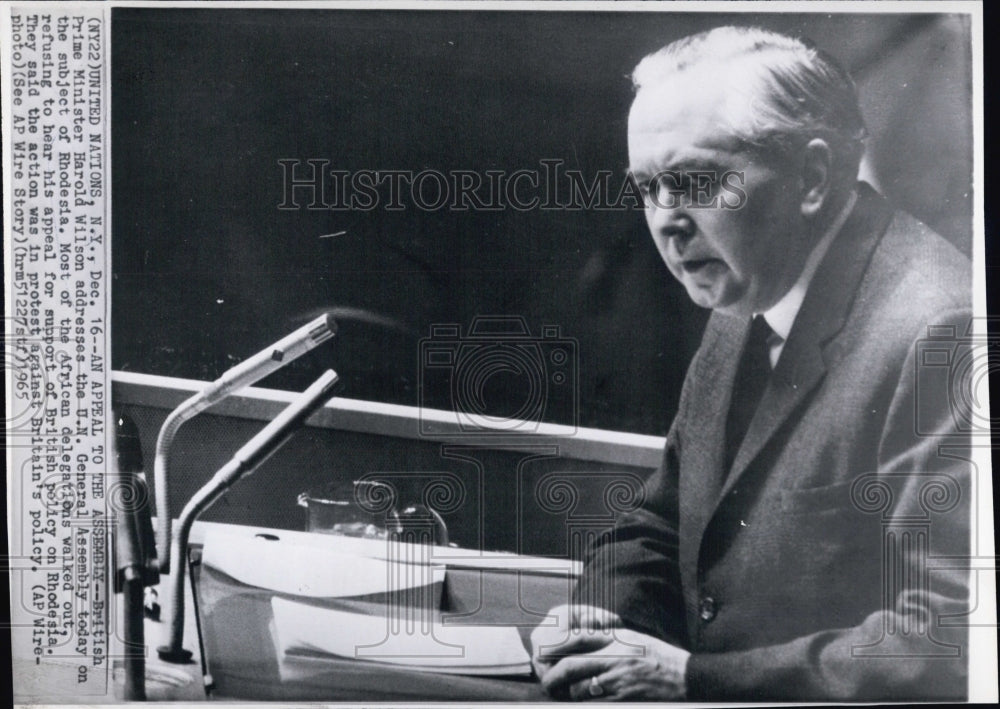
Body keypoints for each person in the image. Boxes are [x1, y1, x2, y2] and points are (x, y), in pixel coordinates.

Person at [531, 26, 971, 701]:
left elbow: (949, 641)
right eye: (648, 186)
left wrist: (690, 678)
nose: (666, 219)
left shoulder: (940, 330)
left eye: (696, 180)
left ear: (814, 178)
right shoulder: (748, 292)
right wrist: (599, 618)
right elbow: (661, 522)